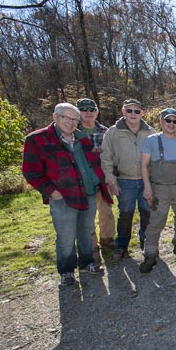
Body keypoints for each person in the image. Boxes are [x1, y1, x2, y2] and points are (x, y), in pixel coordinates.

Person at [22, 103, 112, 286]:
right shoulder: (37, 139)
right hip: (63, 197)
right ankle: (67, 271)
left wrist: (98, 183)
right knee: (65, 236)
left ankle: (87, 263)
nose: (70, 122)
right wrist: (52, 192)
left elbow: (92, 163)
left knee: (86, 232)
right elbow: (31, 172)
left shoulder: (82, 138)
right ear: (55, 117)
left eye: (74, 119)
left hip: (87, 193)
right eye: (65, 117)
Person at [139, 108, 176, 273]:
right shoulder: (151, 140)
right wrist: (147, 187)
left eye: (175, 121)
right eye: (168, 121)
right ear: (161, 122)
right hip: (159, 188)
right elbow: (143, 165)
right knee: (157, 220)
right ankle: (150, 254)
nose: (171, 124)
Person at [101, 99, 157, 261]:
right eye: (129, 110)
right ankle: (122, 246)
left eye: (137, 111)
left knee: (147, 213)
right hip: (124, 181)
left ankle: (146, 244)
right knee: (125, 215)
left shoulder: (151, 132)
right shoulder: (113, 132)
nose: (133, 114)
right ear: (123, 111)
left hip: (147, 181)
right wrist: (111, 181)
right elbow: (105, 158)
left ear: (142, 113)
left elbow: (158, 157)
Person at [76, 98, 116, 255]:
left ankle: (107, 239)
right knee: (87, 216)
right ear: (78, 112)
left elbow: (112, 154)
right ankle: (91, 246)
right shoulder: (73, 131)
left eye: (92, 110)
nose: (88, 112)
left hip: (103, 179)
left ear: (97, 112)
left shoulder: (105, 131)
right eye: (84, 109)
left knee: (106, 211)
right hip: (81, 181)